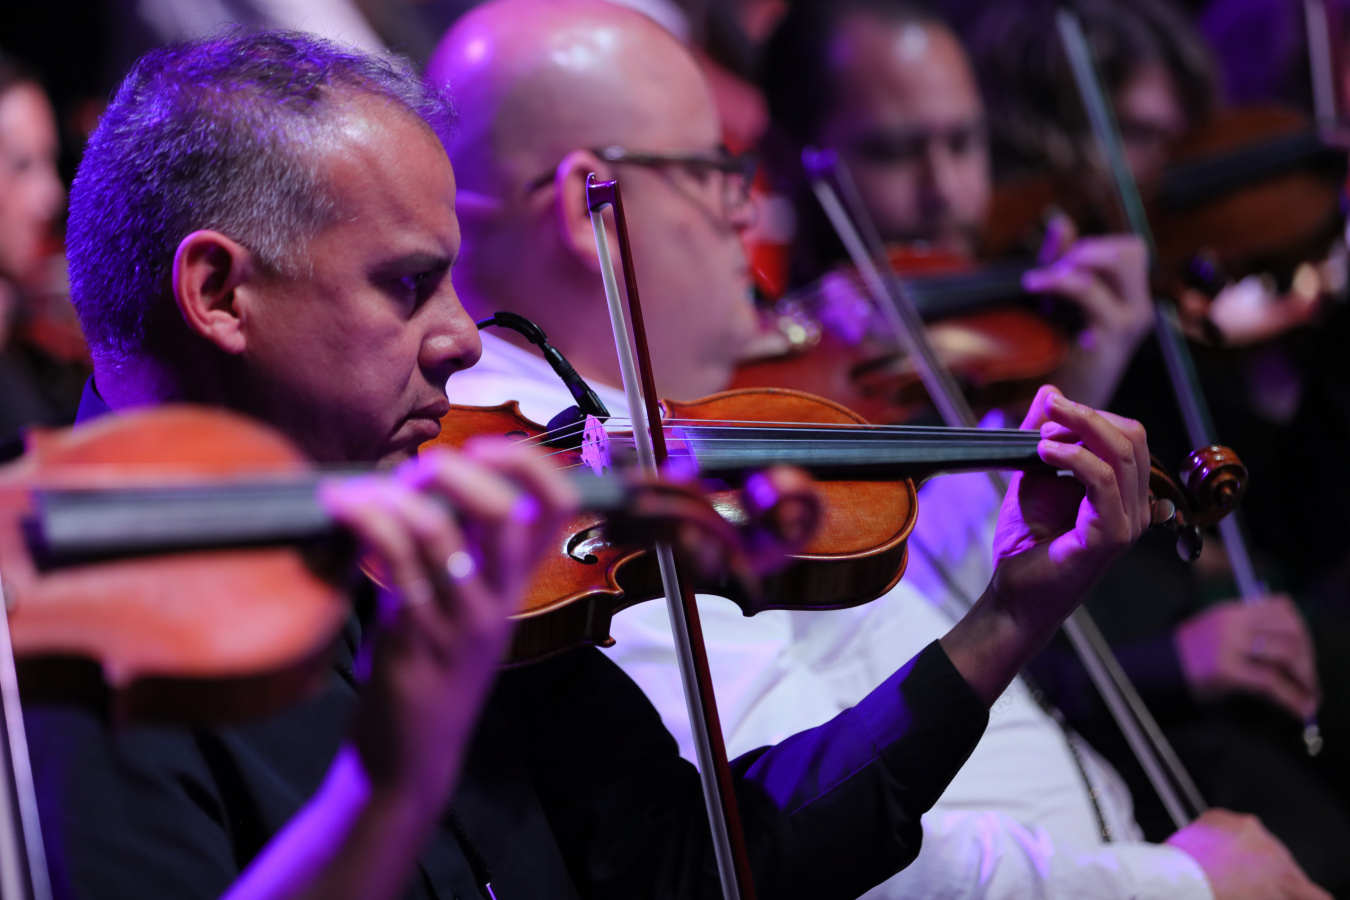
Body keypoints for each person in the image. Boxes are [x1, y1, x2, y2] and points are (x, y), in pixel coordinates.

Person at [29, 26, 1161, 900]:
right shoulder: (80, 660)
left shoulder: (447, 553)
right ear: (220, 294)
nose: (465, 338)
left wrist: (1007, 619)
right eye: (409, 285)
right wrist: (393, 775)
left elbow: (694, 868)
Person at [432, 2, 1327, 898]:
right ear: (587, 207)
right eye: (711, 172)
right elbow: (813, 840)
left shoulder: (675, 433)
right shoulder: (570, 507)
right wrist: (1173, 885)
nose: (745, 209)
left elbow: (876, 672)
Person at [760, 1, 1350, 890]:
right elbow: (948, 647)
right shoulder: (800, 417)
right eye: (894, 150)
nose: (944, 189)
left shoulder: (1051, 326)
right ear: (794, 160)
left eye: (963, 143)